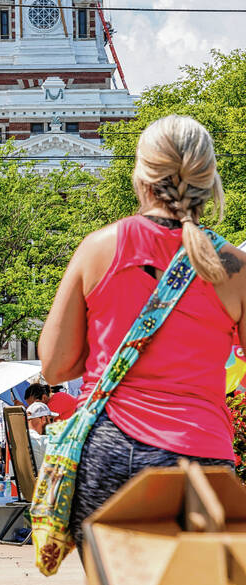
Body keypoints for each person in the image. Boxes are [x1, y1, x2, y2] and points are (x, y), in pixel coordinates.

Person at [39, 115, 246, 553]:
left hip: (110, 451)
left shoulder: (99, 249)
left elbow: (54, 365)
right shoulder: (233, 267)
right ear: (208, 179)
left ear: (142, 176)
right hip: (203, 457)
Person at [26, 401, 57, 470]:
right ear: (43, 419)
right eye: (51, 420)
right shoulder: (42, 441)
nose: (53, 423)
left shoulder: (18, 439)